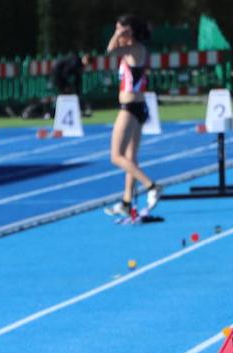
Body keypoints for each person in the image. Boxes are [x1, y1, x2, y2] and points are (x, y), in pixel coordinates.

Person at [104, 15, 161, 218]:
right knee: (130, 158)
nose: (118, 34)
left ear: (130, 31)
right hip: (136, 106)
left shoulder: (134, 49)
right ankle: (127, 201)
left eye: (121, 30)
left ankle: (151, 186)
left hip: (129, 108)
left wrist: (117, 35)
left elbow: (109, 51)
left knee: (116, 156)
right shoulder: (130, 50)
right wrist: (120, 34)